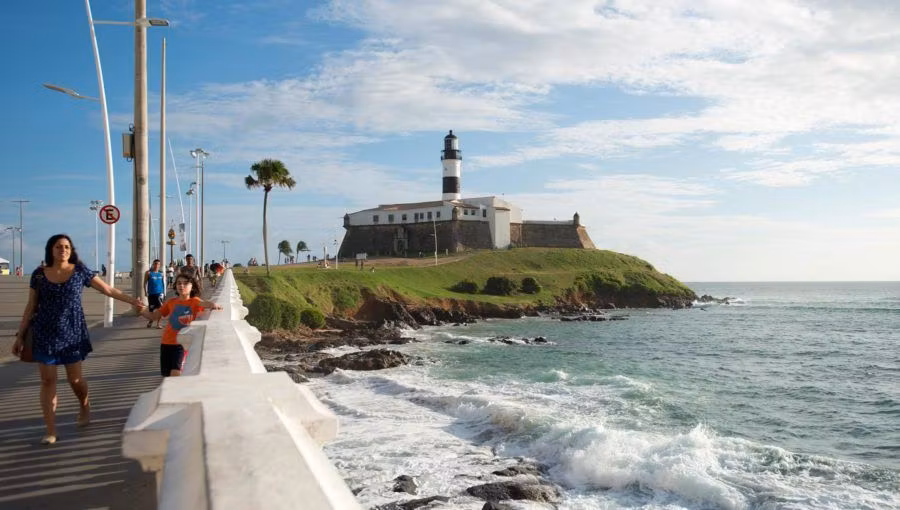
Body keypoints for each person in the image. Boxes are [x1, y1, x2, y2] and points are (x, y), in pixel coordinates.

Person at [11, 234, 145, 445]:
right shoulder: (38, 275)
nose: (62, 250)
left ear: (71, 250)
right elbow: (31, 305)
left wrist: (132, 301)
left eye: (66, 246)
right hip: (44, 333)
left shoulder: (80, 271)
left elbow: (107, 289)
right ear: (51, 250)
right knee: (47, 381)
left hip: (72, 333)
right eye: (58, 246)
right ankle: (51, 431)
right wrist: (20, 335)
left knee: (75, 381)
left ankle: (84, 404)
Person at [137, 272, 221, 377]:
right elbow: (154, 316)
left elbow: (205, 303)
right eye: (179, 283)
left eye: (185, 283)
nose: (181, 286)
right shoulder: (170, 302)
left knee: (175, 374)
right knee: (166, 376)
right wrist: (142, 310)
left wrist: (213, 305)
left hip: (182, 344)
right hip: (166, 342)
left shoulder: (194, 301)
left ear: (192, 286)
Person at [143, 259, 166, 328]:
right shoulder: (148, 273)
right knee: (151, 309)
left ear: (159, 265)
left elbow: (163, 283)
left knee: (161, 309)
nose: (156, 265)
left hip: (159, 293)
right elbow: (144, 283)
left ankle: (158, 324)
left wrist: (164, 293)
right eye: (155, 264)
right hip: (151, 294)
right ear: (153, 264)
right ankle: (151, 321)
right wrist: (145, 292)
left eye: (158, 264)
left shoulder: (161, 273)